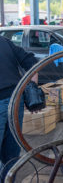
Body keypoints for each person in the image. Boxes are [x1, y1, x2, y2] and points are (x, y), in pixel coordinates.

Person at [0, 36, 37, 181]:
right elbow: (32, 64)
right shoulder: (4, 41)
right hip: (16, 101)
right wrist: (32, 92)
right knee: (11, 155)